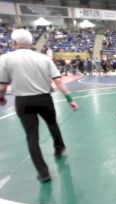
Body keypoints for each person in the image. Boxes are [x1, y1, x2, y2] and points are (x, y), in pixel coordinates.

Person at [0, 29, 79, 183]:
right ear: (31, 43)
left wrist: (1, 98)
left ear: (14, 43)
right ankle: (59, 147)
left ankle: (43, 173)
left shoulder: (5, 59)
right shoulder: (43, 58)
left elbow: (2, 86)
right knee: (52, 123)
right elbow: (58, 81)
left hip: (23, 101)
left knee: (32, 137)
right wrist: (70, 99)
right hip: (44, 99)